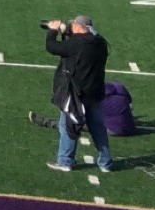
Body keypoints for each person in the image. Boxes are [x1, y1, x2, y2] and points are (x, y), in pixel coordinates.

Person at [44, 15, 113, 173]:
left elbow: (52, 47)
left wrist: (53, 31)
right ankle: (105, 163)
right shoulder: (100, 42)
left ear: (79, 26)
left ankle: (65, 161)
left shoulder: (76, 44)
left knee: (68, 125)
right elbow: (77, 48)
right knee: (97, 128)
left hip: (76, 94)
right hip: (95, 92)